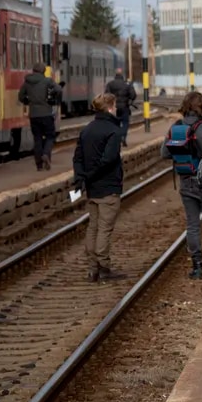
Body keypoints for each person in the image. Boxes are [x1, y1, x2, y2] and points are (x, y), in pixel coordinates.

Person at [161, 92, 202, 280]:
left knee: (192, 225)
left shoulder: (176, 126)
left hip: (185, 181)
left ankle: (197, 268)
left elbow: (164, 153)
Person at [72, 93, 126, 282]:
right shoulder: (113, 130)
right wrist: (90, 175)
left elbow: (78, 158)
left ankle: (92, 269)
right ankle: (104, 268)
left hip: (92, 189)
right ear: (110, 107)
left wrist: (81, 178)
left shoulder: (87, 130)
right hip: (108, 187)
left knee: (93, 227)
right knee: (104, 229)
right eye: (115, 105)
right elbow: (109, 160)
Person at [18, 62, 62, 171]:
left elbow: (21, 96)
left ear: (33, 71)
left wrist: (27, 101)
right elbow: (59, 89)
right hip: (47, 113)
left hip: (34, 115)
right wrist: (56, 101)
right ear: (43, 71)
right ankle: (46, 154)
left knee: (37, 138)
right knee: (50, 136)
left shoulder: (27, 82)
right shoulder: (48, 81)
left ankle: (39, 165)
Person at [105, 68, 137, 147]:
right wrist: (129, 99)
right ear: (122, 76)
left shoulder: (110, 84)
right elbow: (133, 95)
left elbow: (106, 95)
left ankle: (116, 139)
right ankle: (123, 136)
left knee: (115, 123)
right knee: (125, 123)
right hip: (124, 107)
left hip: (114, 108)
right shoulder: (127, 84)